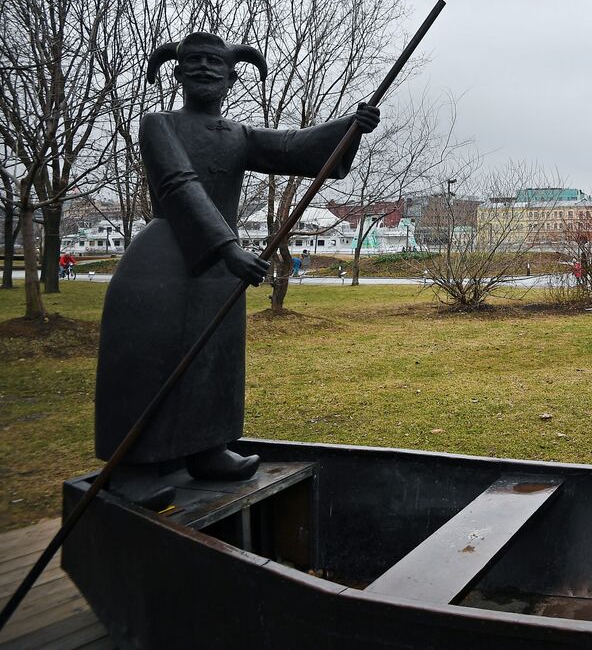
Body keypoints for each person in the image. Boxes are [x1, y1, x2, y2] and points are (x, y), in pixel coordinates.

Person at [95, 32, 379, 509]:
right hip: (164, 259)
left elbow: (294, 149)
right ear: (178, 72)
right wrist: (228, 246)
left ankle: (206, 446)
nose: (205, 69)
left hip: (219, 264)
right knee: (150, 358)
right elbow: (179, 183)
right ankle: (133, 465)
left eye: (215, 63)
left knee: (216, 358)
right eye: (194, 61)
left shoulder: (237, 135)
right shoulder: (158, 124)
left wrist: (350, 126)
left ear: (231, 77)